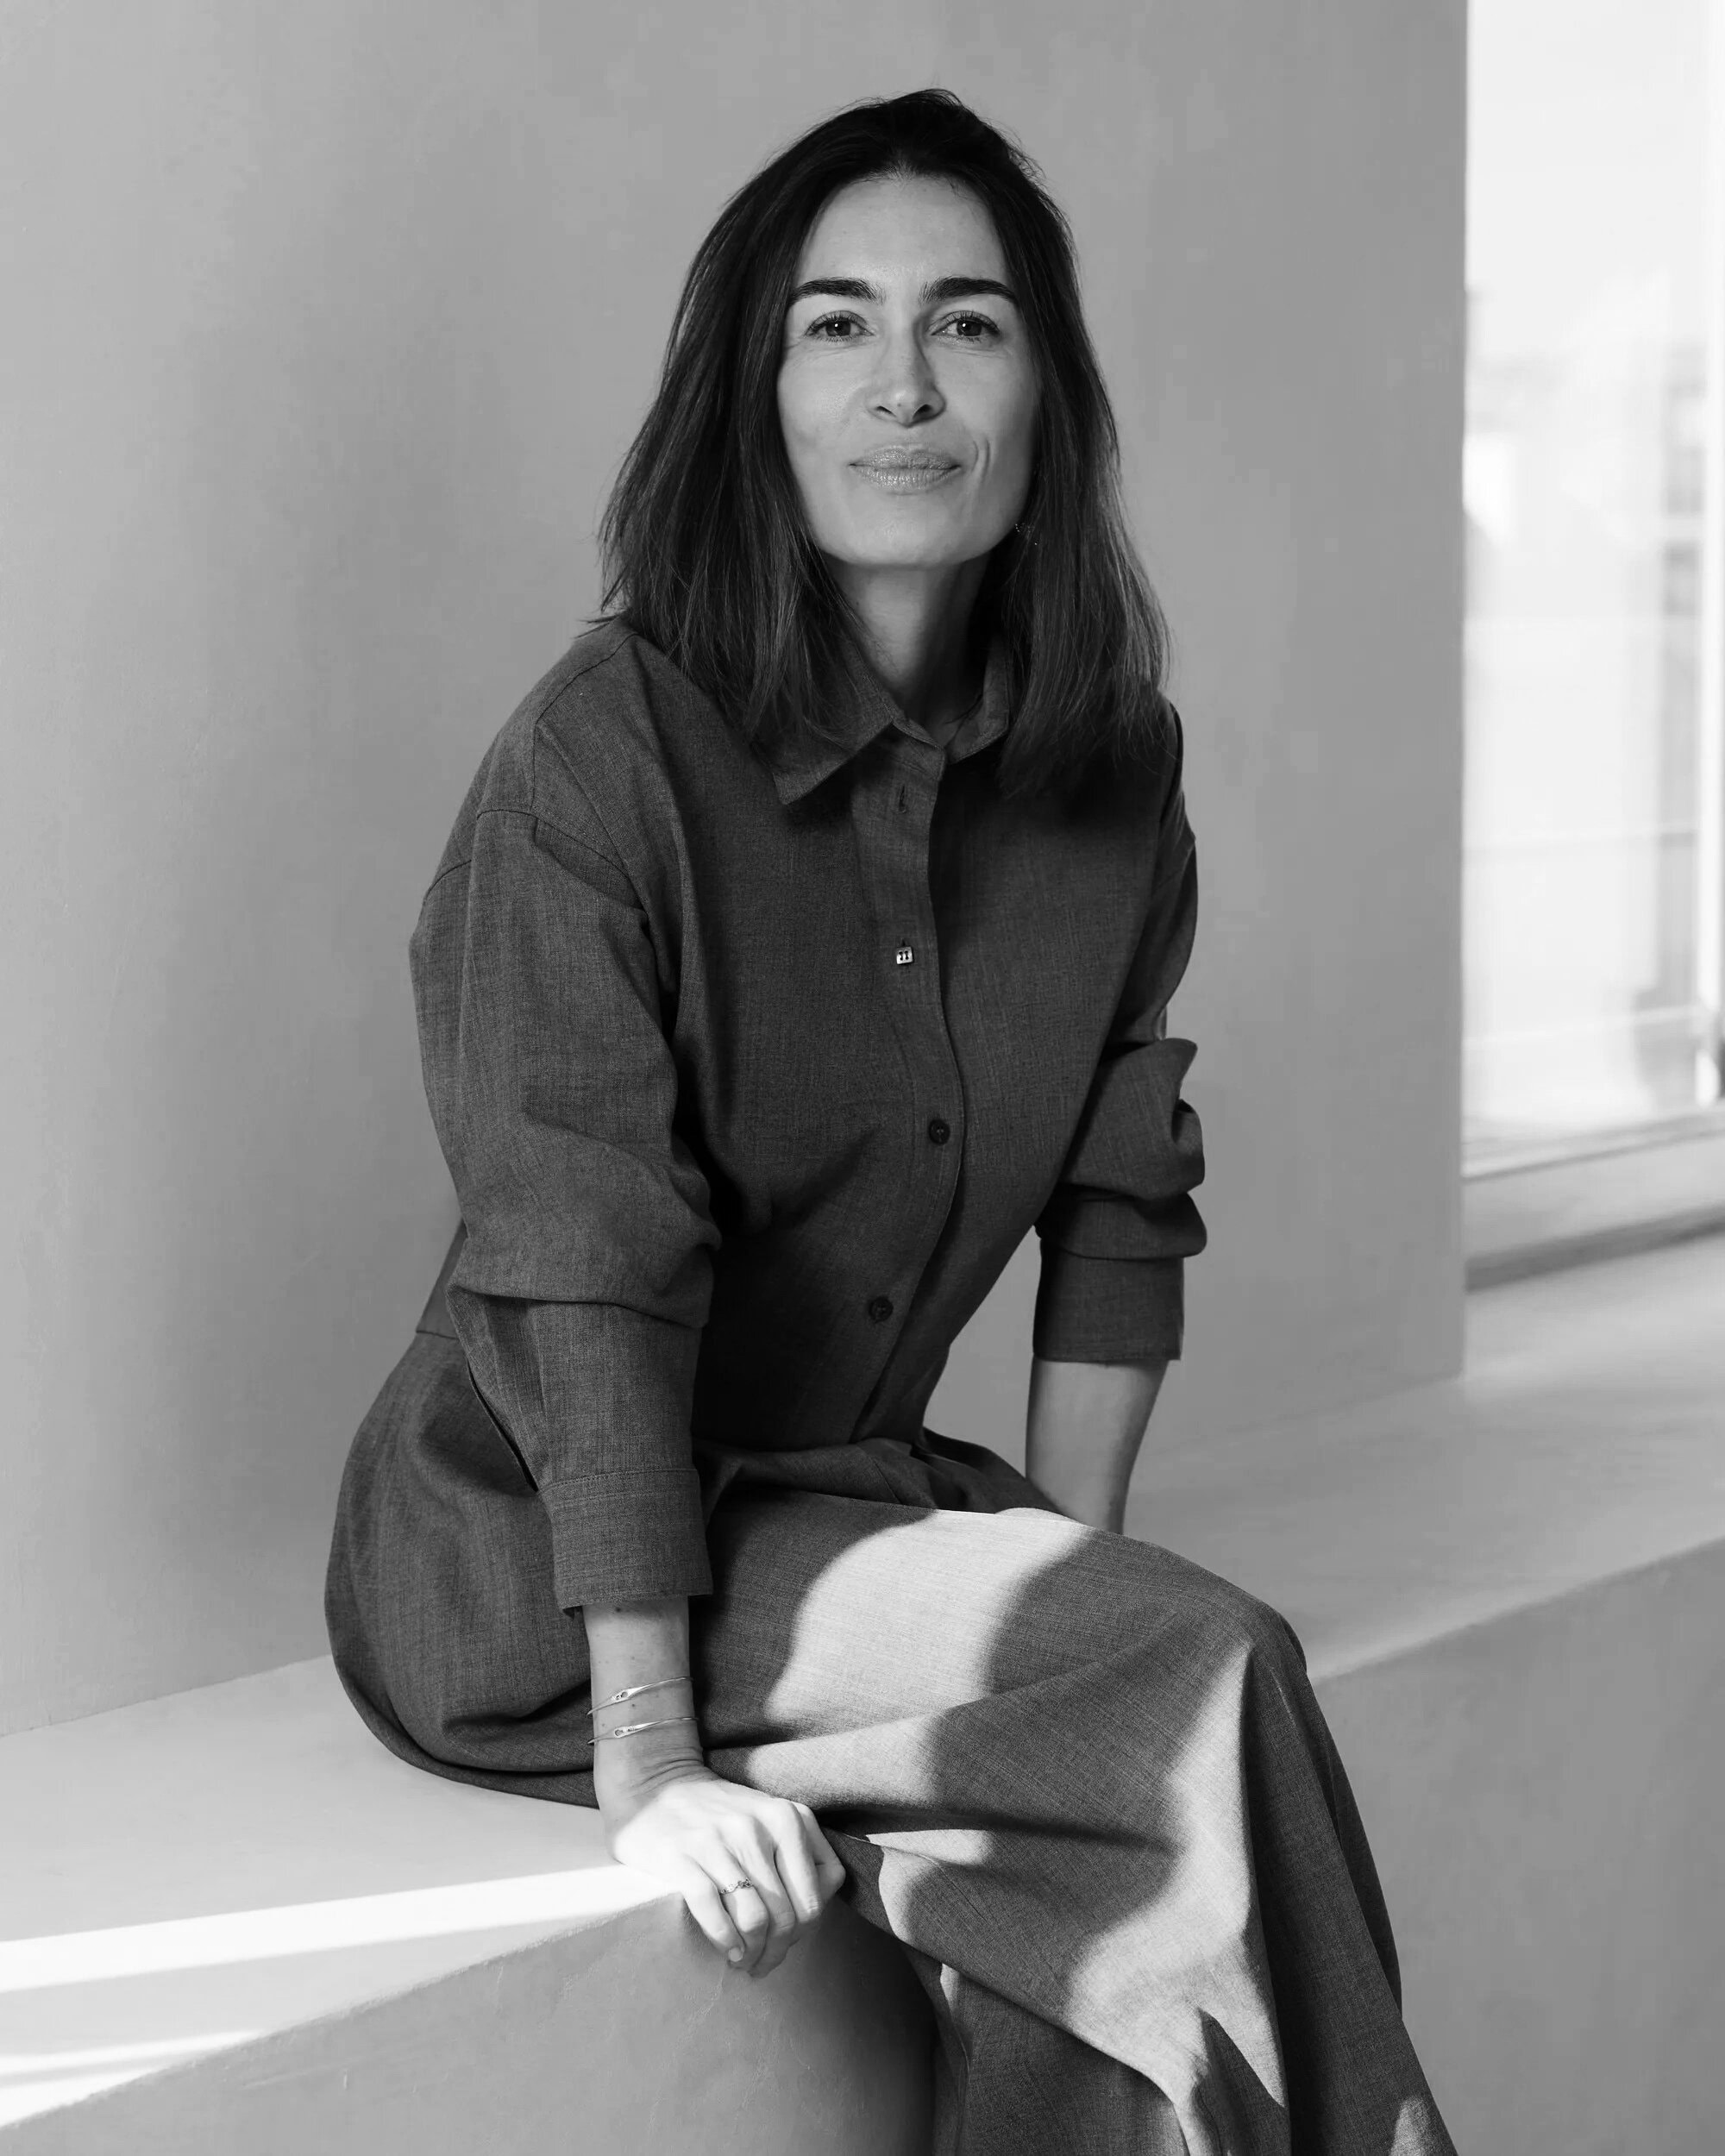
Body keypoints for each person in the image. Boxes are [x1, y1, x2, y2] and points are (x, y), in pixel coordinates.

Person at [326, 87, 1457, 2155]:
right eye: (834, 325)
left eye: (969, 324)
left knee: (1114, 1862)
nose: (903, 385)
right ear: (751, 397)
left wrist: (1066, 1584)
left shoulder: (1110, 771)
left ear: (1045, 398)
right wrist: (654, 1760)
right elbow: (581, 1268)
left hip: (844, 1508)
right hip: (533, 1559)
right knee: (1203, 1672)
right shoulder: (598, 761)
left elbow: (1119, 1198)